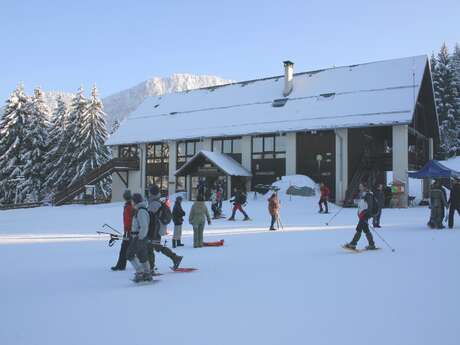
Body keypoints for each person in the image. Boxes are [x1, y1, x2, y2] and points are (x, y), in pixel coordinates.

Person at [147, 185, 182, 272]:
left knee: (150, 247)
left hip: (155, 230)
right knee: (156, 246)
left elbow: (149, 218)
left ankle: (151, 268)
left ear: (151, 193)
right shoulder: (158, 202)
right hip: (158, 229)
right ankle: (175, 258)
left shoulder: (153, 204)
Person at [126, 193, 152, 282]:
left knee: (129, 254)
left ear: (135, 201)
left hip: (139, 237)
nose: (132, 203)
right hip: (140, 236)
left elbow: (144, 226)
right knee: (142, 255)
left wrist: (139, 237)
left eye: (132, 201)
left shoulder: (141, 211)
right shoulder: (140, 210)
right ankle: (147, 273)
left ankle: (140, 272)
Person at [344, 183, 377, 250]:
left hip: (365, 215)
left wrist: (365, 214)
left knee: (359, 228)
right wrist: (352, 201)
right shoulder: (362, 194)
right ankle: (372, 244)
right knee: (365, 229)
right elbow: (361, 202)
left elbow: (369, 207)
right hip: (362, 215)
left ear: (365, 187)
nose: (359, 187)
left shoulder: (369, 195)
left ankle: (353, 244)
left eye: (361, 186)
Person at [111, 190, 134, 271]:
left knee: (124, 249)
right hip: (129, 230)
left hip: (129, 231)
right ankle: (121, 265)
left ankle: (120, 266)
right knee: (126, 249)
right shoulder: (130, 206)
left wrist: (128, 230)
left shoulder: (129, 207)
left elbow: (129, 220)